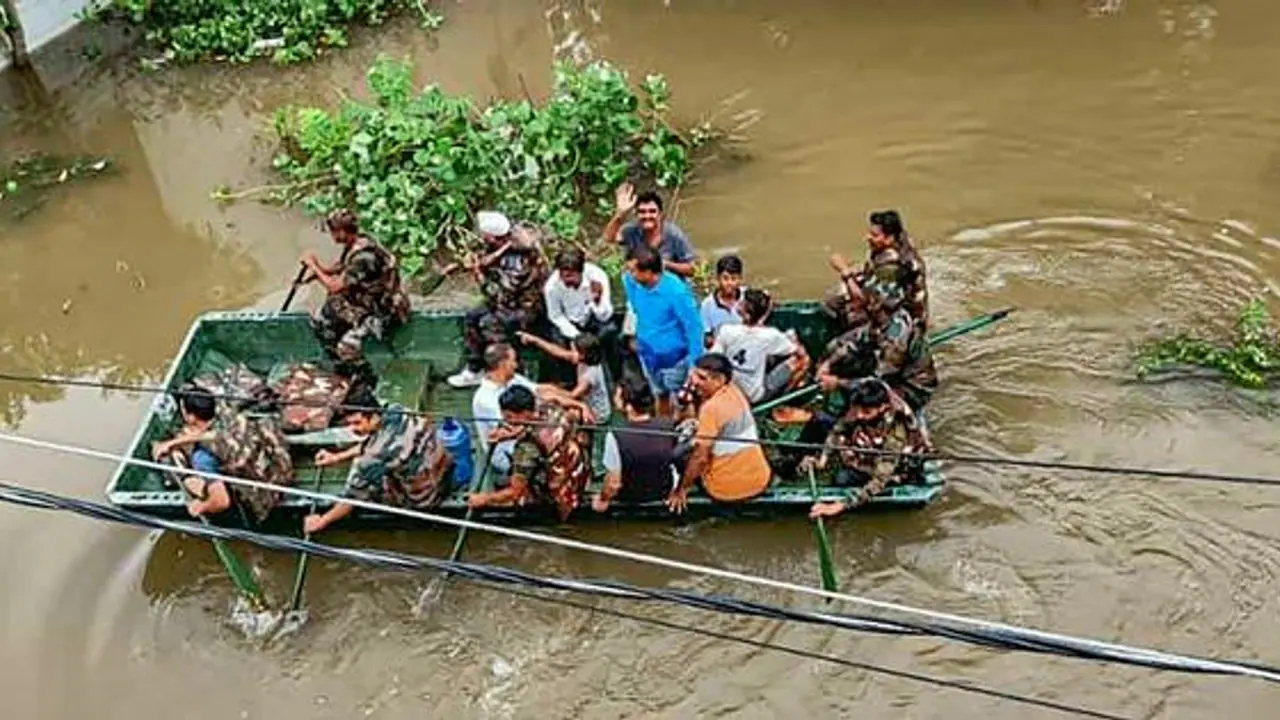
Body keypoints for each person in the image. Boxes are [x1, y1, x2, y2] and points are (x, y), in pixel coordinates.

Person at [302, 385, 453, 534]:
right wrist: (337, 457)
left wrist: (322, 520)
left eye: (357, 423)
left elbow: (352, 499)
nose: (353, 429)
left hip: (426, 497)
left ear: (372, 416)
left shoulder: (373, 456)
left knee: (363, 480)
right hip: (445, 468)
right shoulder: (397, 410)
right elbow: (377, 443)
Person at [151, 389, 295, 525]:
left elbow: (222, 502)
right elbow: (214, 436)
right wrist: (173, 442)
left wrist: (201, 507)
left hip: (263, 500)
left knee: (189, 479)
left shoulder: (203, 457)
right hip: (281, 475)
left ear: (191, 417)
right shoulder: (229, 414)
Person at [303, 209, 410, 387]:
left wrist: (314, 267)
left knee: (346, 348)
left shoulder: (364, 256)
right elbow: (342, 269)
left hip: (381, 310)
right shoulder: (356, 243)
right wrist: (320, 272)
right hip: (364, 300)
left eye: (333, 231)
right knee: (322, 321)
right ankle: (342, 370)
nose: (331, 236)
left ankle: (366, 381)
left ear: (343, 232)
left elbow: (335, 287)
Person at [447, 210, 549, 388]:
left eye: (485, 236)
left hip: (526, 307)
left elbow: (500, 293)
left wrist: (478, 274)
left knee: (489, 322)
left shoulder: (520, 260)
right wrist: (461, 265)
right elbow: (488, 261)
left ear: (494, 237)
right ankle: (475, 369)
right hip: (506, 302)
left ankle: (510, 372)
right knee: (472, 316)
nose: (482, 238)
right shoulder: (499, 246)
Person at [806, 378, 932, 519]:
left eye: (866, 411)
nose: (859, 415)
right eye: (858, 409)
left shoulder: (896, 432)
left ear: (882, 408)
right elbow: (838, 429)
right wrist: (822, 459)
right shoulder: (863, 403)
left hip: (898, 463)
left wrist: (839, 506)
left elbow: (879, 480)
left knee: (843, 479)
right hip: (872, 443)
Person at [466, 385, 592, 521]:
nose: (505, 421)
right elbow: (543, 426)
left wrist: (484, 499)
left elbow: (515, 492)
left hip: (561, 489)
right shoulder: (550, 406)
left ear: (525, 412)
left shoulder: (526, 449)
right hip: (580, 470)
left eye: (509, 416)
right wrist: (512, 433)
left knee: (520, 490)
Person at [666, 353, 771, 512]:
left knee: (679, 454)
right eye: (694, 375)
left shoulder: (711, 409)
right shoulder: (734, 390)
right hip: (760, 479)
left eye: (702, 378)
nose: (694, 381)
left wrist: (682, 489)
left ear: (719, 380)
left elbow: (700, 459)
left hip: (724, 490)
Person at [471, 342, 595, 476]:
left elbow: (542, 391)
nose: (516, 365)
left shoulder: (513, 379)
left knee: (572, 416)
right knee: (562, 436)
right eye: (513, 360)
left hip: (528, 429)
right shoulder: (485, 399)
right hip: (510, 449)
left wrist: (576, 402)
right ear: (503, 364)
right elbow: (513, 428)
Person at [621, 245, 705, 417]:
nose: (629, 274)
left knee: (681, 402)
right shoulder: (631, 282)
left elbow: (694, 329)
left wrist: (694, 365)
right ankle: (664, 430)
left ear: (649, 272)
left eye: (633, 270)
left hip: (675, 361)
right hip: (648, 356)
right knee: (659, 394)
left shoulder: (676, 292)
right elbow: (635, 308)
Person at [826, 210, 929, 332]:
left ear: (889, 238)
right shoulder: (897, 242)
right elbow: (871, 268)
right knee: (836, 297)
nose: (868, 238)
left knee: (846, 309)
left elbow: (864, 301)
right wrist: (853, 271)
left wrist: (845, 272)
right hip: (894, 300)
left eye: (874, 235)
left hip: (901, 321)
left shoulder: (892, 267)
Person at [592, 376, 680, 511]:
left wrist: (602, 499)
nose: (614, 399)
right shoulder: (668, 425)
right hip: (663, 491)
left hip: (631, 496)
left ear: (628, 406)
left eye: (617, 396)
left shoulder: (616, 436)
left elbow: (613, 484)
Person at [710, 288, 809, 404]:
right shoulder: (770, 335)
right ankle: (783, 400)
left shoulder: (726, 330)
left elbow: (713, 358)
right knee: (802, 360)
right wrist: (794, 342)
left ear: (741, 310)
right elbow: (799, 352)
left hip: (730, 393)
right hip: (753, 396)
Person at [516, 330, 612, 425]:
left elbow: (572, 396)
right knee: (547, 389)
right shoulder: (583, 359)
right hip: (583, 399)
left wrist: (552, 396)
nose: (570, 352)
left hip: (596, 413)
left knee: (561, 409)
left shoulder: (589, 376)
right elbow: (556, 351)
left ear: (583, 354)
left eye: (573, 350)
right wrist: (534, 340)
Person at [604, 182, 698, 279]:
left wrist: (662, 264)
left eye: (652, 211)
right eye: (642, 212)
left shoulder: (673, 234)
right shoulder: (632, 230)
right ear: (636, 214)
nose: (647, 216)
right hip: (640, 283)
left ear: (660, 214)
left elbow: (692, 270)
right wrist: (620, 213)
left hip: (669, 284)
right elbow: (608, 238)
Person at [700, 254, 746, 345]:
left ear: (740, 279)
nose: (729, 283)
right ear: (718, 278)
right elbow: (706, 335)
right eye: (725, 278)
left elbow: (767, 301)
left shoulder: (747, 296)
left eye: (734, 279)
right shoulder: (707, 304)